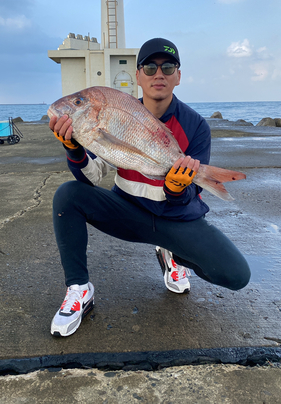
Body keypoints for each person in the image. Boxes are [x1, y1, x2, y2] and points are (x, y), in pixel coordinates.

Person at [49, 37, 251, 337]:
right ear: (138, 75)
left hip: (174, 220)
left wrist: (175, 188)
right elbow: (91, 179)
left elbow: (189, 197)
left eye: (168, 67)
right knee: (67, 195)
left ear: (178, 76)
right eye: (151, 67)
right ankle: (79, 288)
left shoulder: (195, 126)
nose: (160, 73)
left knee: (236, 275)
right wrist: (74, 150)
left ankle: (173, 254)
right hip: (129, 214)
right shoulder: (114, 113)